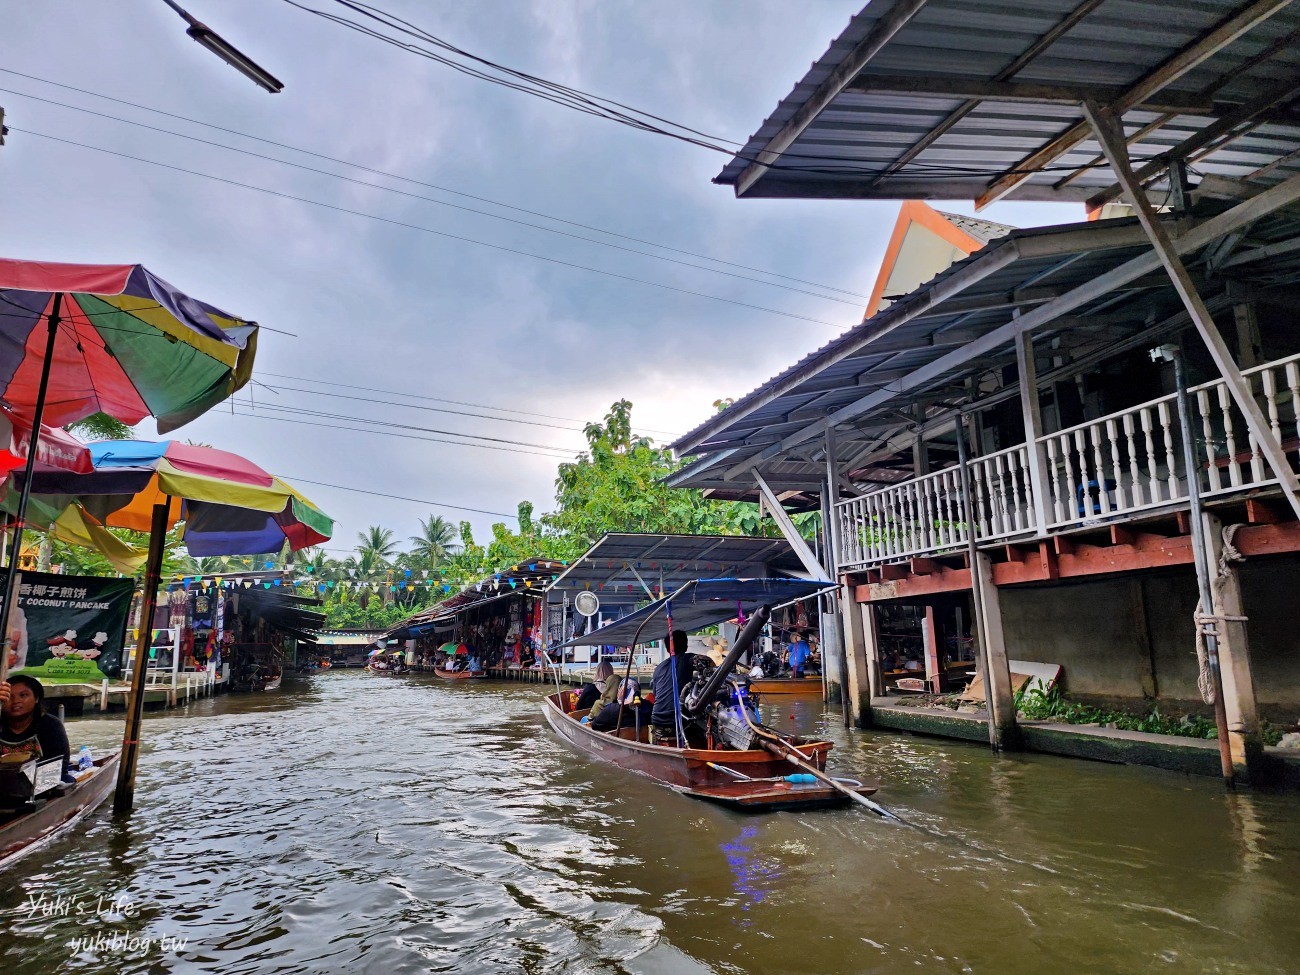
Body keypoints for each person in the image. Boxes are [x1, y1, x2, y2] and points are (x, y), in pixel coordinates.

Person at [0, 674, 71, 780]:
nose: (15, 701)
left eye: (23, 695)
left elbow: (59, 766)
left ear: (36, 698)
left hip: (43, 780)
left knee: (66, 780)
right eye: (10, 696)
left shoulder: (51, 725)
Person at [650, 630, 693, 745]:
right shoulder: (688, 659)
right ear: (686, 645)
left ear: (667, 648)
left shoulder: (658, 668)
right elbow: (710, 663)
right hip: (677, 721)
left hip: (657, 719)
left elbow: (655, 695)